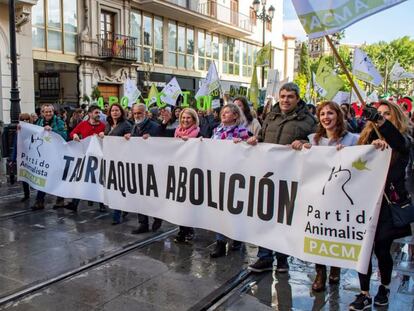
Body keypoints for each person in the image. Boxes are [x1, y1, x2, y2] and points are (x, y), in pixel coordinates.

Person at [246, 82, 317, 273]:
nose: (285, 100)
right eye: (283, 96)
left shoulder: (309, 120)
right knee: (264, 216)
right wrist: (255, 140)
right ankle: (264, 257)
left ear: (297, 99)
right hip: (267, 175)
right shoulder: (271, 116)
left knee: (284, 218)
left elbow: (317, 144)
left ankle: (283, 258)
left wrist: (303, 143)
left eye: (290, 97)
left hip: (290, 177)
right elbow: (262, 138)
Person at [349, 100, 412, 310]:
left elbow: (400, 144)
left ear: (395, 118)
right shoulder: (367, 138)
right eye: (379, 114)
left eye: (387, 115)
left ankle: (384, 287)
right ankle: (364, 292)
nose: (382, 117)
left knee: (382, 250)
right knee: (363, 249)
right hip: (364, 203)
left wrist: (380, 124)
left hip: (386, 205)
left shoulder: (403, 141)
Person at [291, 101, 359, 292]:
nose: (326, 117)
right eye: (322, 114)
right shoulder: (313, 140)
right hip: (318, 197)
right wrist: (300, 146)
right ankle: (320, 273)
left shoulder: (352, 140)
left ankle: (335, 268)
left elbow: (367, 156)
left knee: (336, 232)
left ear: (338, 115)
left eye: (330, 113)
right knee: (318, 233)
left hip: (340, 198)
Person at [209, 104, 250, 257]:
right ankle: (220, 242)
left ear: (235, 115)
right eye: (223, 112)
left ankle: (237, 236)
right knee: (219, 209)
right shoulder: (216, 130)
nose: (224, 114)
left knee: (235, 208)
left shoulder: (242, 131)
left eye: (228, 112)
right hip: (219, 173)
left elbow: (248, 151)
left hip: (235, 175)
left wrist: (243, 144)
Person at [125, 104, 164, 234]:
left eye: (139, 113)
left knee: (152, 195)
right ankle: (143, 223)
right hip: (138, 167)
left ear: (146, 113)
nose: (137, 116)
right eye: (135, 113)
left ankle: (157, 217)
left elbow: (161, 145)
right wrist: (128, 138)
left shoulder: (155, 127)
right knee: (139, 195)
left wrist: (152, 139)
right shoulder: (134, 127)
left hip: (152, 167)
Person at [63, 105, 106, 212]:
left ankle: (102, 204)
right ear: (90, 114)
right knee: (82, 179)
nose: (98, 114)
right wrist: (75, 136)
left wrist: (104, 135)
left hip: (99, 157)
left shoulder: (103, 125)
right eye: (96, 112)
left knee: (100, 179)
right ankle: (74, 204)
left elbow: (109, 136)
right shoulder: (83, 124)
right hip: (86, 156)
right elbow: (73, 132)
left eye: (99, 112)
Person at [98, 103, 132, 225]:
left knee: (120, 187)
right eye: (112, 110)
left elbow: (131, 140)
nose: (115, 112)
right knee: (114, 186)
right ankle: (124, 207)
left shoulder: (127, 125)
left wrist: (129, 137)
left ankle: (117, 215)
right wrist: (102, 136)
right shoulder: (108, 125)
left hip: (122, 161)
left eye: (117, 110)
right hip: (110, 160)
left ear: (121, 112)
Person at [31, 104, 67, 210]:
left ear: (53, 111)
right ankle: (39, 201)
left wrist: (52, 131)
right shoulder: (39, 122)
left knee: (58, 176)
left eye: (50, 111)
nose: (48, 114)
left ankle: (60, 200)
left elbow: (64, 135)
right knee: (42, 176)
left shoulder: (59, 122)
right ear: (42, 113)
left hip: (56, 154)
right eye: (46, 112)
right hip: (43, 154)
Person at [173, 108, 201, 243]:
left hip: (192, 171)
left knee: (188, 203)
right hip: (179, 170)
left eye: (188, 118)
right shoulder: (177, 132)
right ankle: (182, 230)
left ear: (194, 119)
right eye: (183, 118)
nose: (185, 120)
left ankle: (188, 230)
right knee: (179, 203)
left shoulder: (199, 133)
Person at [12, 113, 33, 201]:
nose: (25, 121)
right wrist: (13, 158)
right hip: (23, 156)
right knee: (24, 175)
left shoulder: (33, 129)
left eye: (26, 120)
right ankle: (26, 194)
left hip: (32, 156)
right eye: (23, 120)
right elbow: (16, 145)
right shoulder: (19, 131)